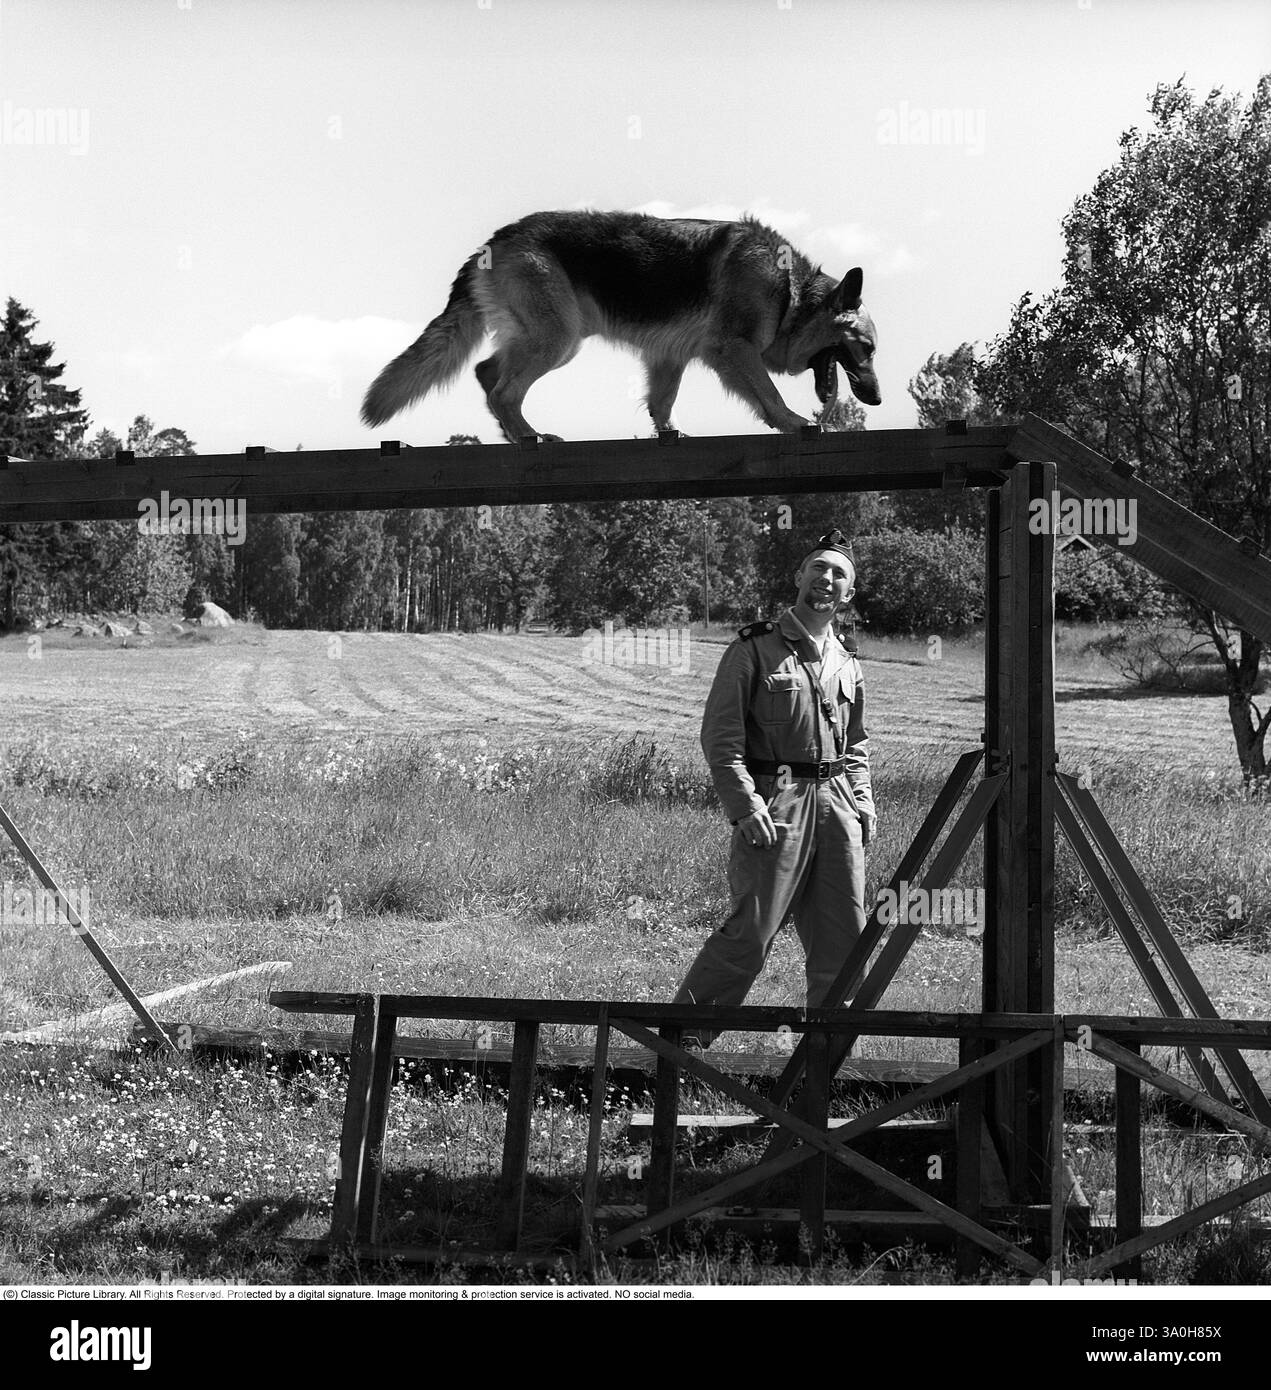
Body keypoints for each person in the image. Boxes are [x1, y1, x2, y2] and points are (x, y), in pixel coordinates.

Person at [673, 529, 876, 1047]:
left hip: (837, 805)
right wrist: (744, 806)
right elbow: (721, 737)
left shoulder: (848, 659)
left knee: (844, 940)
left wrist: (863, 802)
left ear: (847, 594)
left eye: (838, 574)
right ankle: (678, 1047)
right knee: (752, 933)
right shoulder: (754, 648)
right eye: (817, 568)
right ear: (798, 578)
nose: (825, 580)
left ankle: (829, 1057)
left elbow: (856, 742)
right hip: (777, 802)